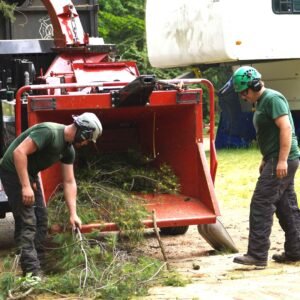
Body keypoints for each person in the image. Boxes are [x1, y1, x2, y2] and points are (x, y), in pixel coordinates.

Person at [0, 112, 102, 277]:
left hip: (29, 173)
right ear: (85, 132)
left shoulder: (68, 150)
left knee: (41, 220)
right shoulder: (49, 132)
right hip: (12, 171)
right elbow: (19, 153)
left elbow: (69, 181)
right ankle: (31, 273)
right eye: (88, 139)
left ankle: (38, 263)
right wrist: (25, 186)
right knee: (27, 221)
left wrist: (73, 214)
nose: (85, 143)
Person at [232, 66, 300, 267]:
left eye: (243, 93)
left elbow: (285, 128)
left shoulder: (272, 98)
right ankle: (296, 250)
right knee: (286, 206)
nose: (243, 97)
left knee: (261, 203)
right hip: (276, 158)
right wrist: (266, 158)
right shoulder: (262, 101)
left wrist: (280, 160)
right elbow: (269, 134)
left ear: (251, 86)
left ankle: (257, 254)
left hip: (284, 159)